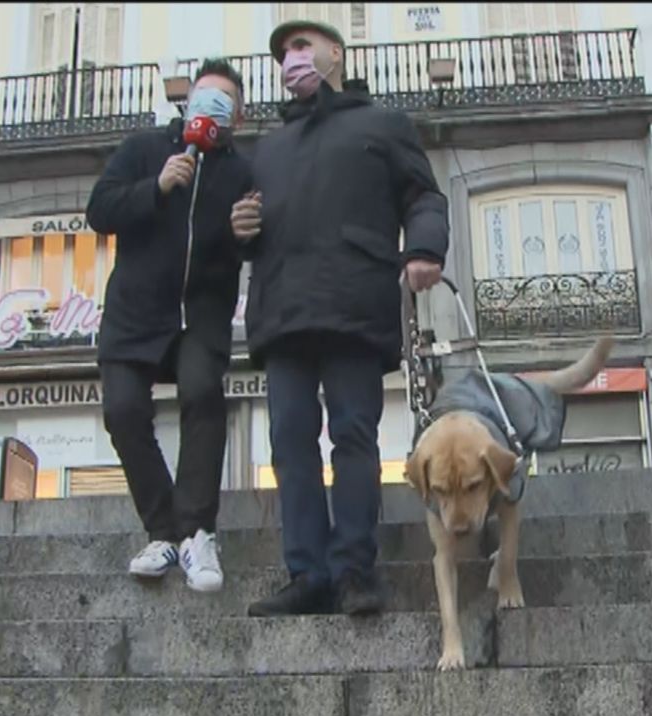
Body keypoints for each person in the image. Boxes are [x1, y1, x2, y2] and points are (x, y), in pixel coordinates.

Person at [232, 20, 449, 616]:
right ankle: (307, 574)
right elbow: (252, 228)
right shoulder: (269, 149)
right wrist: (241, 233)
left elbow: (424, 197)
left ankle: (354, 569)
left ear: (335, 53)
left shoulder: (383, 124)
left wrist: (425, 248)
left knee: (354, 437)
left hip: (354, 303)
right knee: (289, 444)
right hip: (283, 311)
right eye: (282, 53)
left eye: (301, 47)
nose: (290, 59)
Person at [86, 59, 253, 593]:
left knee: (204, 394)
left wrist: (241, 234)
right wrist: (155, 188)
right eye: (203, 98)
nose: (210, 110)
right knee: (123, 410)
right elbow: (99, 210)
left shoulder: (241, 172)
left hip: (200, 313)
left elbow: (254, 246)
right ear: (186, 103)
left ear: (238, 119)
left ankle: (197, 532)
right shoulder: (142, 149)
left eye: (222, 103)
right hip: (136, 313)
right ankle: (163, 530)